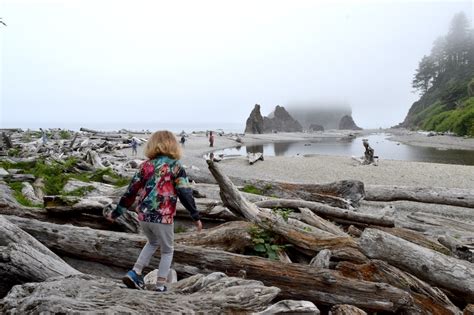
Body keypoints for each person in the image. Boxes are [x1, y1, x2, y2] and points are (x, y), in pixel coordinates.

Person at [107, 130, 202, 292]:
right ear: (173, 145)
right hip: (162, 216)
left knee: (152, 242)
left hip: (143, 216)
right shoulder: (175, 167)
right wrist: (195, 216)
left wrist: (116, 213)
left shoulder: (145, 166)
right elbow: (185, 193)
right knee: (167, 250)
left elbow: (130, 192)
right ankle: (160, 285)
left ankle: (135, 272)